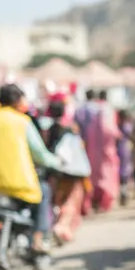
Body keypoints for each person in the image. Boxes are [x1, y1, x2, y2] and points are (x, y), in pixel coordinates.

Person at [0, 84, 63, 258]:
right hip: (17, 187)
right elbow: (40, 154)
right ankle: (37, 240)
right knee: (44, 191)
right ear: (18, 101)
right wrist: (57, 162)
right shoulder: (22, 121)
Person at [45, 101, 91, 243]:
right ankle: (62, 227)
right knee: (71, 201)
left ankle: (59, 227)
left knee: (57, 201)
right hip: (72, 172)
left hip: (55, 172)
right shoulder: (70, 129)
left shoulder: (48, 129)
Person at [85, 90, 120, 212]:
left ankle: (96, 200)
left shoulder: (94, 109)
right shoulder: (107, 109)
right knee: (107, 174)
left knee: (96, 175)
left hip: (94, 148)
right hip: (106, 148)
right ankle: (105, 202)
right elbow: (108, 129)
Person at [117, 109, 134, 206]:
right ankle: (124, 194)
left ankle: (123, 194)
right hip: (126, 150)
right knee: (126, 173)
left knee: (122, 173)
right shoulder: (128, 126)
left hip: (120, 150)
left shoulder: (118, 126)